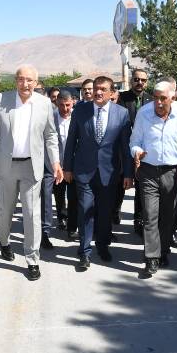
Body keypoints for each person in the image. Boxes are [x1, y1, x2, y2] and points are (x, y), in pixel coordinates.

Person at [0, 64, 62, 281]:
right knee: (4, 210)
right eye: (20, 79)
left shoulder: (45, 104)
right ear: (15, 80)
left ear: (36, 83)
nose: (25, 84)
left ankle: (32, 259)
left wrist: (55, 162)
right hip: (6, 166)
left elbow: (51, 136)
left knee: (32, 213)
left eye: (29, 80)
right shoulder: (1, 100)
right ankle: (4, 242)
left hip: (32, 166)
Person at [130, 81, 177, 276]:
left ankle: (164, 250)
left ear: (173, 97)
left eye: (163, 98)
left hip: (173, 172)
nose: (158, 103)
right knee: (150, 215)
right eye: (155, 98)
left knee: (168, 216)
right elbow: (134, 141)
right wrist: (137, 152)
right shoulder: (144, 113)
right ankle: (151, 257)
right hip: (148, 171)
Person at [64, 76, 133, 270]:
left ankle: (102, 246)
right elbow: (71, 141)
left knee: (104, 213)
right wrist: (67, 167)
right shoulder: (80, 110)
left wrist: (128, 174)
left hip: (109, 173)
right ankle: (84, 251)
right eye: (96, 88)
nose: (98, 92)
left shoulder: (122, 113)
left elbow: (125, 148)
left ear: (112, 93)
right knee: (85, 209)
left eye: (103, 89)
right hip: (83, 171)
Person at [118, 68, 153, 235]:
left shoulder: (151, 100)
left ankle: (139, 221)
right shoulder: (122, 98)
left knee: (141, 187)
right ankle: (113, 213)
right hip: (124, 149)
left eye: (143, 80)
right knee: (119, 184)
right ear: (132, 80)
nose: (140, 83)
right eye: (137, 79)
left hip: (143, 151)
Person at [41, 90, 77, 248]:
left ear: (73, 102)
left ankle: (72, 226)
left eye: (68, 105)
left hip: (74, 164)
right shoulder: (50, 118)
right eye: (61, 105)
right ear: (56, 103)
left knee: (74, 197)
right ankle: (49, 229)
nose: (65, 108)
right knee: (53, 195)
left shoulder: (78, 117)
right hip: (53, 164)